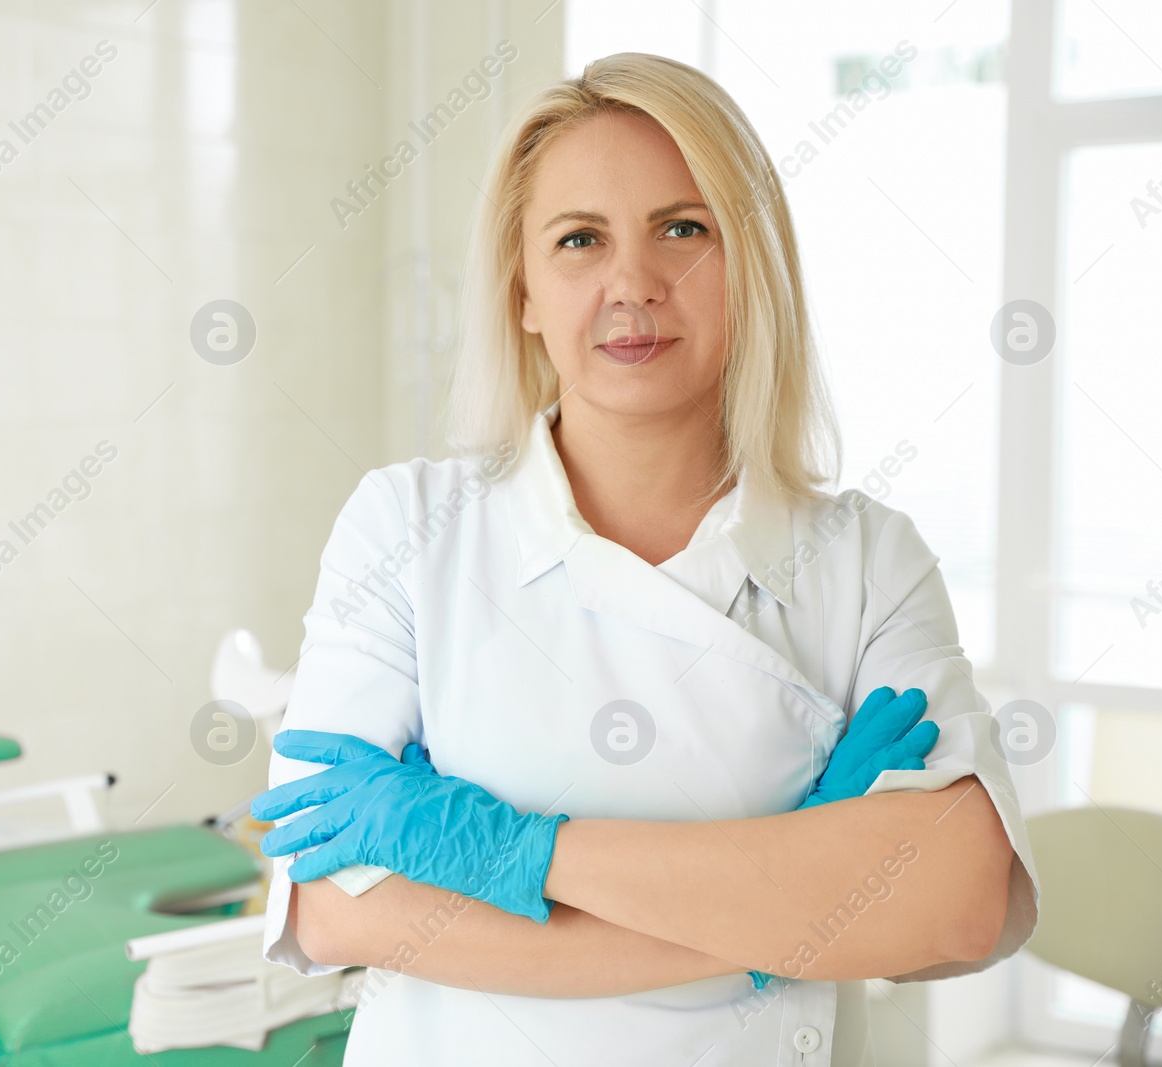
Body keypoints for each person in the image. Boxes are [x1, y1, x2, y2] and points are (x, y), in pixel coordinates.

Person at [251, 51, 1039, 1066]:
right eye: (579, 239)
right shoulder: (405, 528)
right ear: (524, 290)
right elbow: (332, 905)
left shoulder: (864, 560)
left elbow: (955, 902)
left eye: (683, 229)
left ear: (748, 265)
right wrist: (790, 909)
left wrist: (512, 853)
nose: (632, 283)